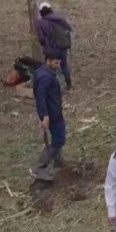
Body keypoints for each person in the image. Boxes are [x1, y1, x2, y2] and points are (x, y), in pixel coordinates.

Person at [30, 52, 65, 181]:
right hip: (52, 113)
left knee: (58, 136)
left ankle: (59, 161)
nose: (58, 65)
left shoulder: (42, 72)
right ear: (48, 61)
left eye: (59, 63)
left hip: (53, 111)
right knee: (59, 139)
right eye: (56, 63)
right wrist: (45, 116)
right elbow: (41, 98)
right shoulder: (45, 77)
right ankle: (40, 167)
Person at [35, 2, 73, 91]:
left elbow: (41, 38)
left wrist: (44, 45)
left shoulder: (40, 22)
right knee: (64, 65)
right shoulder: (60, 18)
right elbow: (69, 29)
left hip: (51, 48)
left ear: (41, 12)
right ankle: (69, 85)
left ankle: (52, 88)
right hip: (63, 46)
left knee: (49, 68)